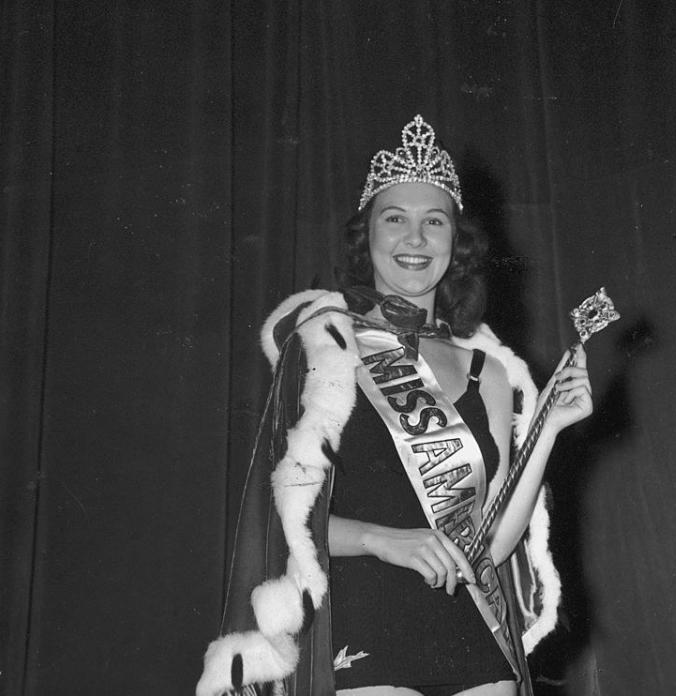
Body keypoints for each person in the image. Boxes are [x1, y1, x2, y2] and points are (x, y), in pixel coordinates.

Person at [196, 115, 593, 696]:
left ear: (456, 243)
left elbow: (492, 545)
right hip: (365, 617)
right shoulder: (325, 351)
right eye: (395, 219)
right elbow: (280, 524)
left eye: (434, 222)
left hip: (470, 623)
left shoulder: (490, 372)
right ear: (368, 238)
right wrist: (384, 538)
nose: (415, 238)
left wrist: (550, 429)